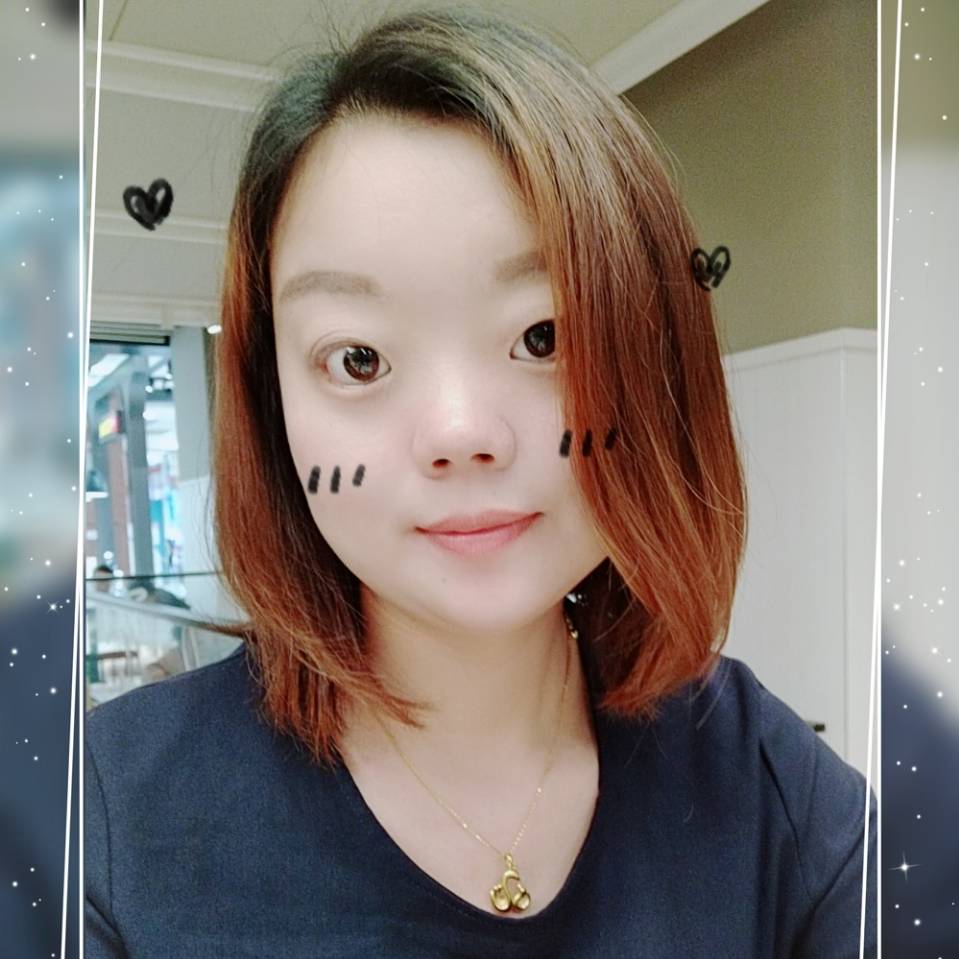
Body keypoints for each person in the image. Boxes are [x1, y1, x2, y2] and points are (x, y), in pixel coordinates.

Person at [84, 5, 877, 956]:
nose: (460, 434)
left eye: (543, 336)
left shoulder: (755, 771)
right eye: (358, 359)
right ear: (270, 401)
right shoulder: (104, 821)